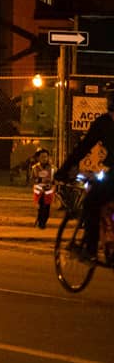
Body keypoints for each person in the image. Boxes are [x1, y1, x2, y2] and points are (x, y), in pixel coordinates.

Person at [61, 109, 114, 260]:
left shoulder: (104, 123)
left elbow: (84, 147)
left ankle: (90, 250)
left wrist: (64, 170)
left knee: (91, 202)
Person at [29, 148, 56, 229]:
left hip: (48, 191)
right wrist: (37, 181)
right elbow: (32, 179)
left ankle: (43, 222)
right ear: (38, 158)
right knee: (41, 208)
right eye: (42, 157)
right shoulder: (35, 168)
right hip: (39, 191)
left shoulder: (52, 168)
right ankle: (41, 223)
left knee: (47, 209)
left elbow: (55, 178)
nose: (44, 159)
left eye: (45, 157)